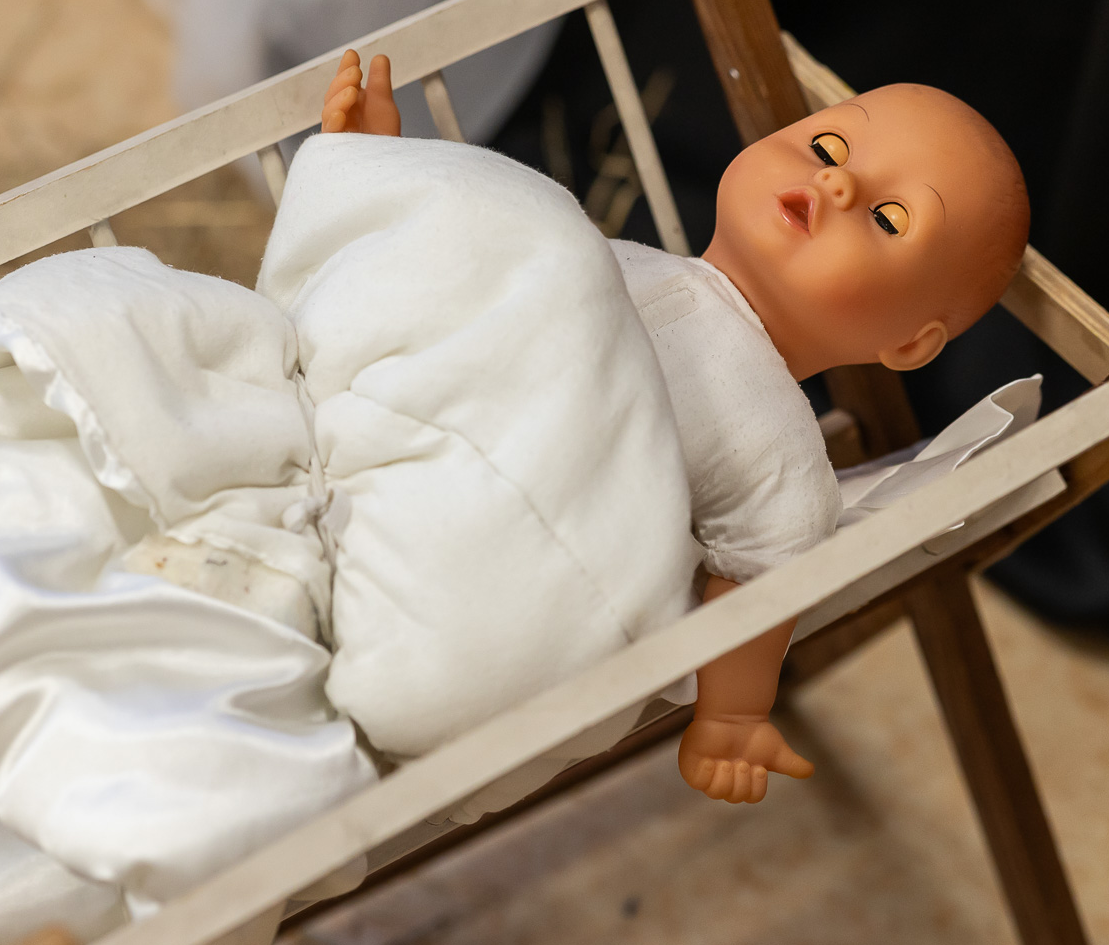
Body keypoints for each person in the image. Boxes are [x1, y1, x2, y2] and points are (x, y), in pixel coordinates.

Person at [324, 48, 1030, 804]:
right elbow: (461, 273)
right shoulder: (597, 251)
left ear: (908, 345)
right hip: (378, 446)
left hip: (485, 545)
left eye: (889, 218)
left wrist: (732, 715)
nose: (839, 181)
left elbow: (759, 587)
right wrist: (383, 173)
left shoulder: (780, 450)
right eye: (828, 147)